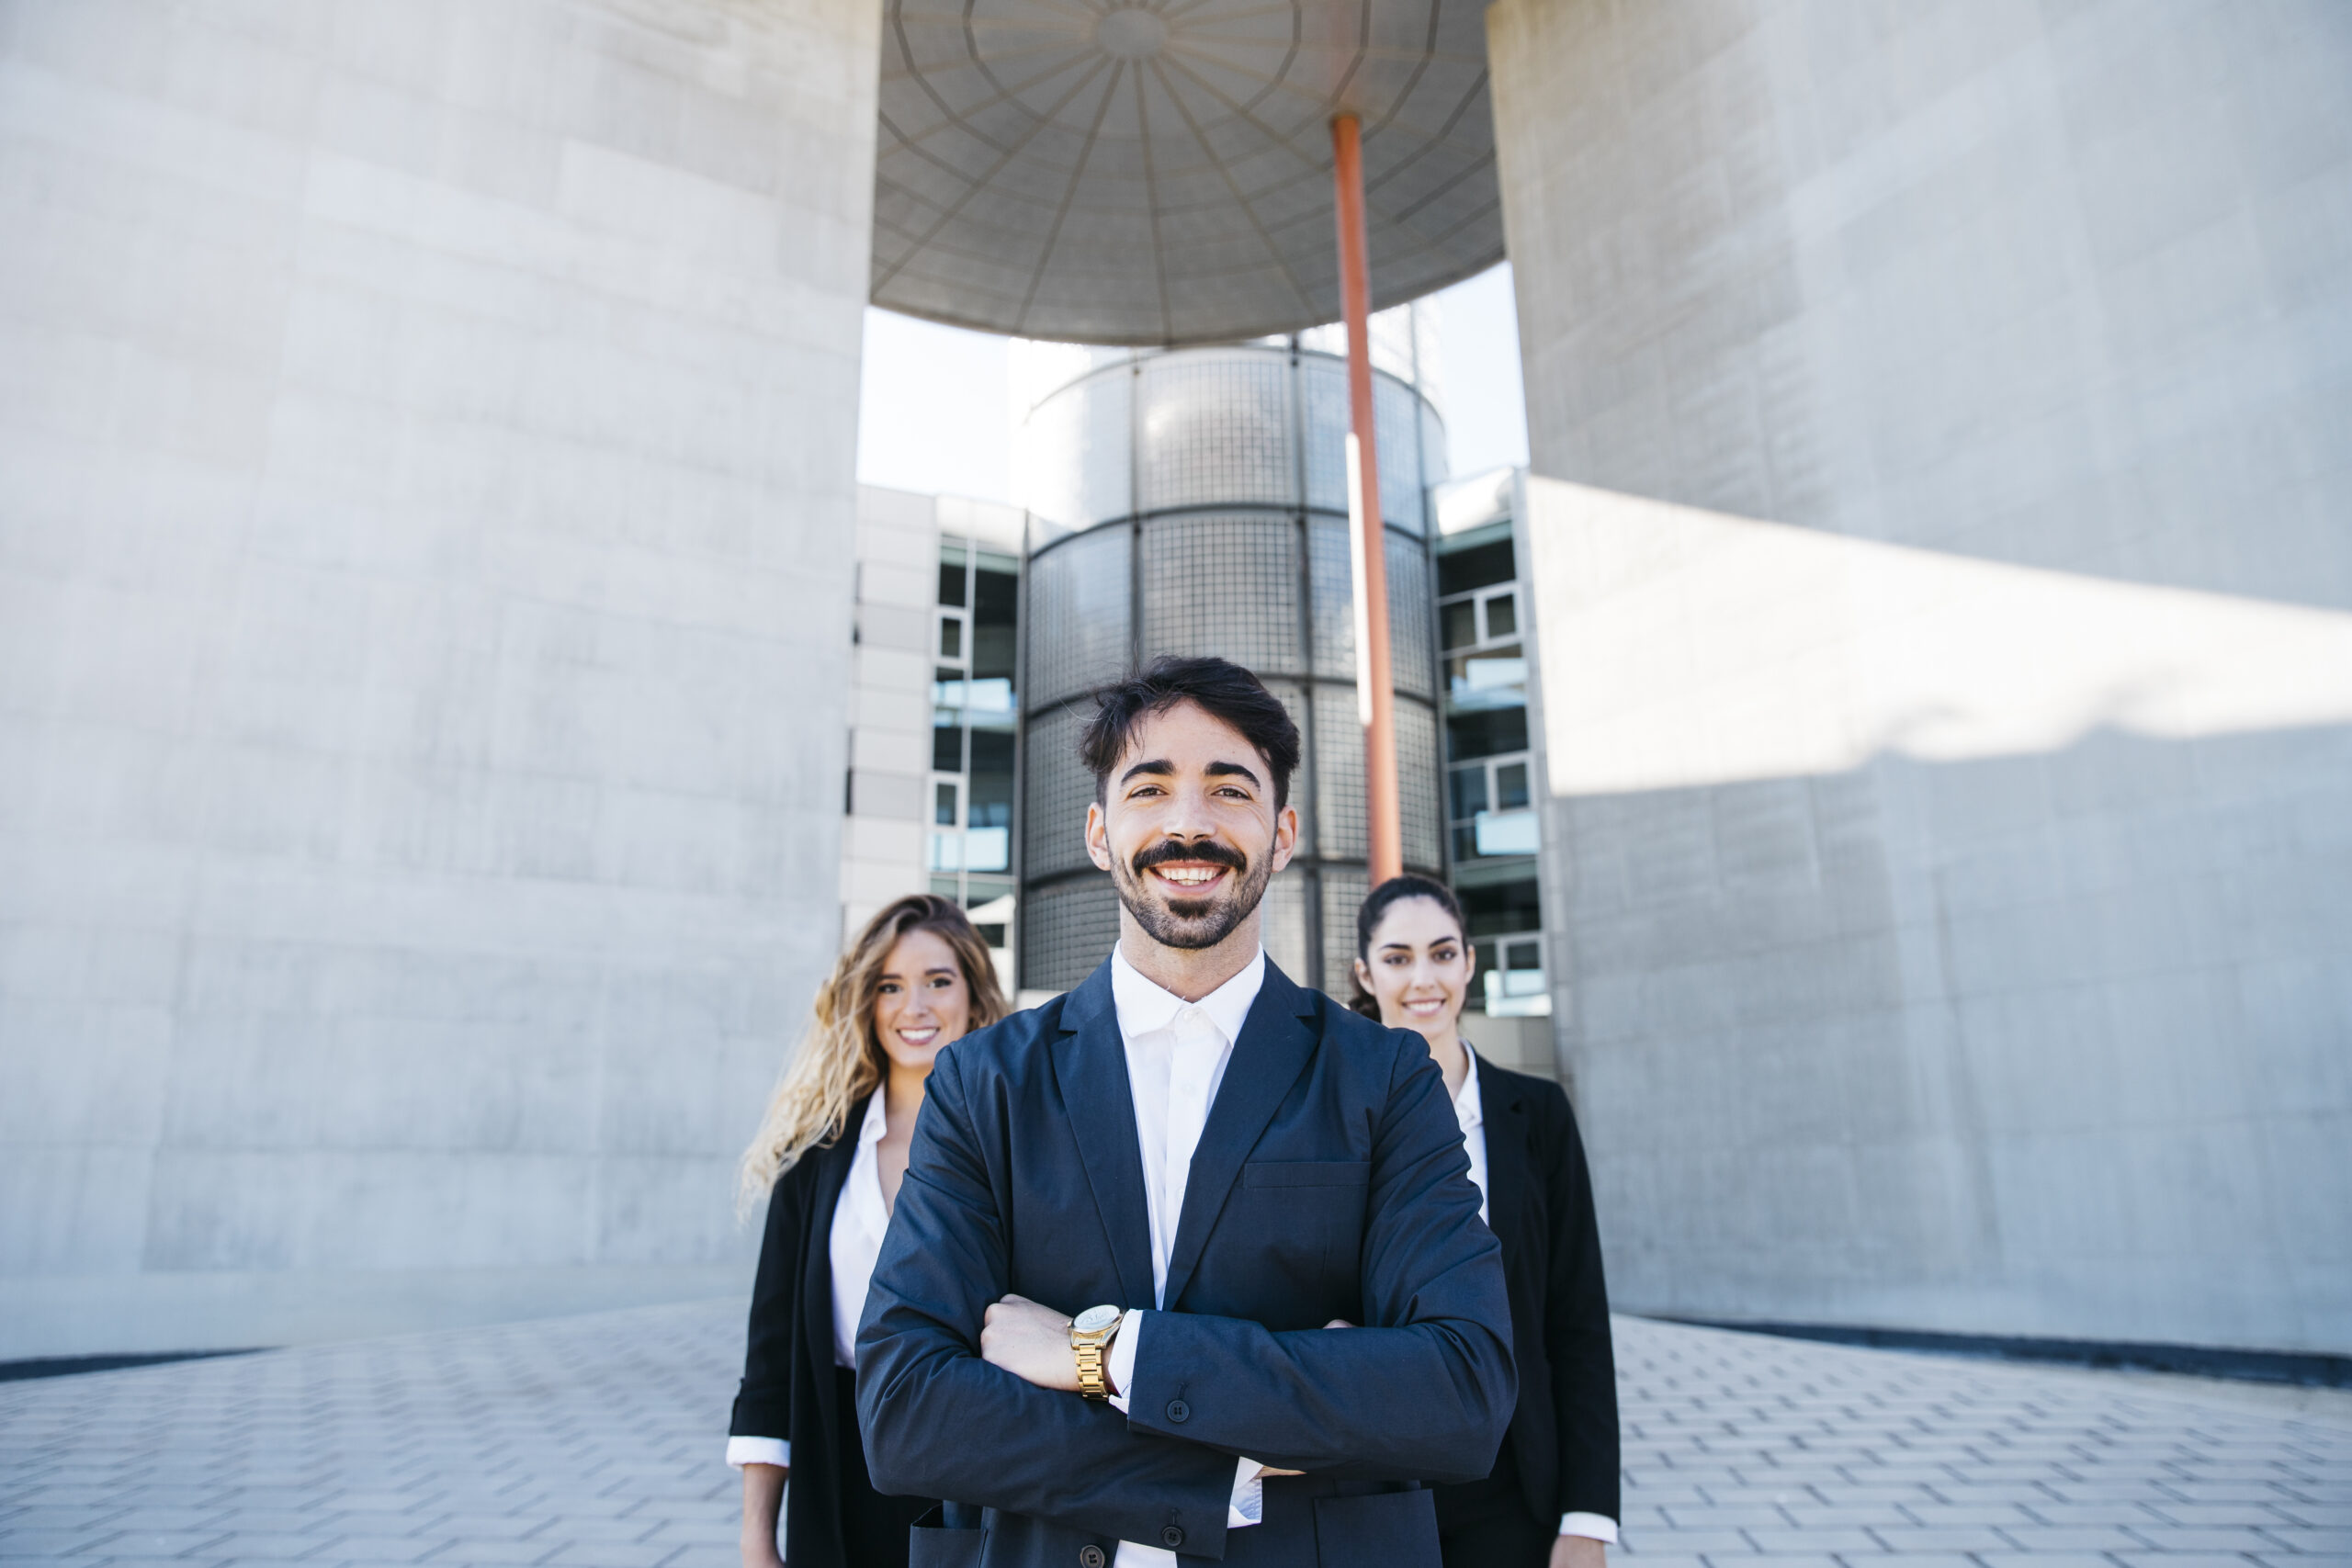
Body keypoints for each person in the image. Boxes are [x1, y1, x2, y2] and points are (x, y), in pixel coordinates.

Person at [855, 655, 1517, 1568]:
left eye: (1230, 790)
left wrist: (1104, 1353)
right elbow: (905, 1411)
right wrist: (1241, 1451)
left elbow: (1460, 1391)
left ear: (1282, 833)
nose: (1188, 824)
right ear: (1099, 831)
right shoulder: (983, 1082)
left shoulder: (1384, 1077)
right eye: (1150, 788)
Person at [728, 894, 1010, 1568]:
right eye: (889, 986)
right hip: (840, 1472)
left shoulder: (1018, 1145)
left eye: (937, 981)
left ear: (973, 996)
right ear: (866, 1003)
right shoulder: (817, 1158)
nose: (914, 1006)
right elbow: (771, 1360)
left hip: (979, 1471)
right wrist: (757, 1535)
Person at [1350, 875, 1621, 1568]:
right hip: (1370, 1480)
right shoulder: (1330, 1118)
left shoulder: (1539, 1114)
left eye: (1442, 953)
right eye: (1398, 957)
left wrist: (1588, 1515)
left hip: (1514, 1487)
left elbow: (1577, 1320)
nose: (1423, 979)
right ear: (1366, 973)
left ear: (1469, 962)